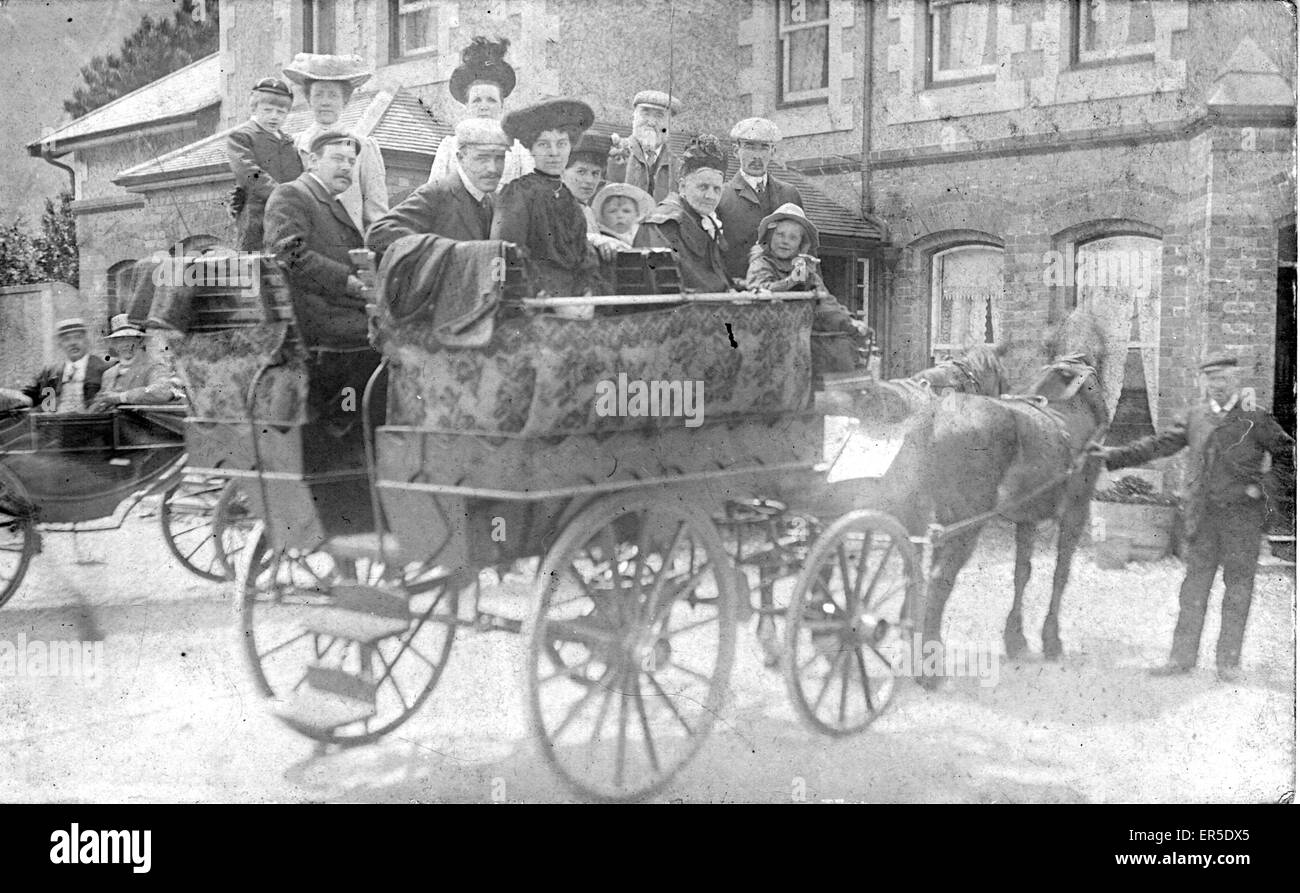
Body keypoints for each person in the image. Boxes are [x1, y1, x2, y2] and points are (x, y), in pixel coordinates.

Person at [1094, 355, 1295, 684]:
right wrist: (1114, 457)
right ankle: (1181, 659)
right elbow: (1160, 444)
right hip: (1203, 519)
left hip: (1242, 520)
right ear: (1204, 382)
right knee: (1193, 590)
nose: (1219, 385)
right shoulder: (1196, 417)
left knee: (1238, 590)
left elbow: (1287, 455)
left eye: (1225, 378)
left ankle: (1228, 663)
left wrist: (1264, 490)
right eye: (1212, 379)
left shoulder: (1255, 418)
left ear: (1236, 379)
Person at [263, 131, 379, 445]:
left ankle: (350, 425)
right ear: (313, 160)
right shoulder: (292, 195)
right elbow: (289, 254)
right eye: (337, 159)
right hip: (313, 321)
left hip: (335, 313)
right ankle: (340, 427)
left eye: (352, 162)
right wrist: (349, 282)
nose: (346, 167)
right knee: (379, 343)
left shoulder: (330, 202)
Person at [492, 98, 601, 298]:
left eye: (561, 144)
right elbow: (508, 253)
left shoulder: (569, 197)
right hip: (535, 300)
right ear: (531, 149)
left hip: (573, 299)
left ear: (570, 147)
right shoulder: (518, 192)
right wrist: (541, 293)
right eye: (543, 144)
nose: (554, 153)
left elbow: (583, 255)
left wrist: (586, 291)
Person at [366, 118, 508, 257]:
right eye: (482, 158)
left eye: (499, 158)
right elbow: (378, 235)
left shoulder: (495, 201)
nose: (493, 168)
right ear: (460, 158)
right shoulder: (436, 195)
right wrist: (443, 253)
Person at [283, 53, 388, 237]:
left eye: (332, 95)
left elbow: (376, 213)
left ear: (345, 101)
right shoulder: (293, 145)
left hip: (348, 248)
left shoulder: (364, 147)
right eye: (318, 95)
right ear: (309, 99)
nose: (325, 102)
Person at [745, 202, 867, 336]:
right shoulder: (761, 263)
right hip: (766, 332)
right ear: (770, 236)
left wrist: (848, 321)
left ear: (801, 244)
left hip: (800, 334)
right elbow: (759, 292)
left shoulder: (804, 269)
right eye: (780, 234)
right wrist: (791, 281)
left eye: (793, 237)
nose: (785, 241)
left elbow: (826, 301)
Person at [427, 36, 533, 188]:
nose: (484, 106)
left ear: (501, 106)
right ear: (467, 105)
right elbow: (433, 194)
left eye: (491, 100)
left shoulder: (518, 149)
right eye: (477, 100)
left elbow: (530, 196)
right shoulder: (449, 147)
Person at [633, 135, 732, 293]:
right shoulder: (663, 224)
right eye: (703, 187)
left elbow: (718, 277)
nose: (710, 196)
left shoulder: (703, 219)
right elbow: (672, 285)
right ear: (683, 186)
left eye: (717, 189)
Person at [717, 117, 803, 284]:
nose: (756, 156)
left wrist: (802, 286)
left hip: (784, 294)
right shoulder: (721, 195)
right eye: (749, 147)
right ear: (736, 151)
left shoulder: (790, 194)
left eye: (764, 147)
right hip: (738, 294)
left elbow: (804, 248)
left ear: (773, 152)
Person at [225, 77, 303, 252]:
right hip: (257, 217)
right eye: (268, 110)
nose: (274, 116)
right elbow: (248, 172)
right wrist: (282, 196)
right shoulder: (241, 137)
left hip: (290, 216)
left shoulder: (288, 141)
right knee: (256, 269)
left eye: (281, 112)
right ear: (254, 107)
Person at [0, 318, 113, 413]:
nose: (73, 343)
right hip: (55, 430)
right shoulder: (50, 373)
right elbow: (31, 397)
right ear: (60, 344)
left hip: (92, 430)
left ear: (87, 340)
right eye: (67, 339)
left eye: (78, 337)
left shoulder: (103, 369)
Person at [86, 315, 176, 410]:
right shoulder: (109, 374)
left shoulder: (154, 367)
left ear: (141, 342)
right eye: (120, 339)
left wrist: (121, 397)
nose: (126, 344)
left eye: (130, 339)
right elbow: (98, 404)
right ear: (114, 344)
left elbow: (162, 391)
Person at [606, 90, 681, 202]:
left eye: (659, 116)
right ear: (634, 117)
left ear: (670, 124)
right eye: (645, 113)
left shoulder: (678, 167)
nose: (650, 122)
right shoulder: (613, 154)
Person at [562, 130, 624, 261]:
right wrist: (597, 240)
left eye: (595, 173)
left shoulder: (587, 210)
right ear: (561, 172)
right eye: (581, 171)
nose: (589, 180)